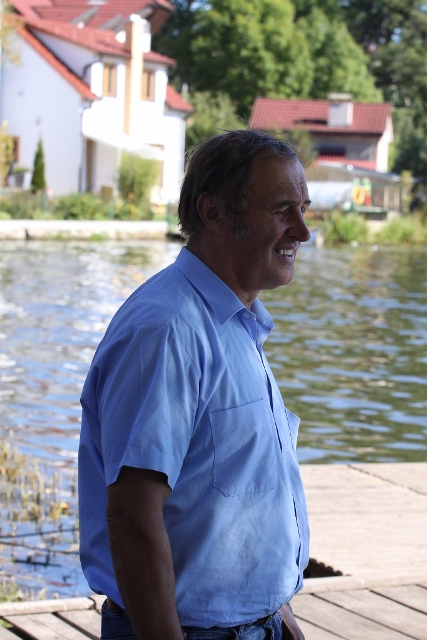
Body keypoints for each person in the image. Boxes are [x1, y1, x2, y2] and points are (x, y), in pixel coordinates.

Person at [78, 129, 311, 640]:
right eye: (281, 210)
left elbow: (231, 491)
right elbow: (134, 515)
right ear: (213, 212)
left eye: (303, 208)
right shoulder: (166, 331)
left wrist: (277, 610)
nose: (303, 231)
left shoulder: (234, 322)